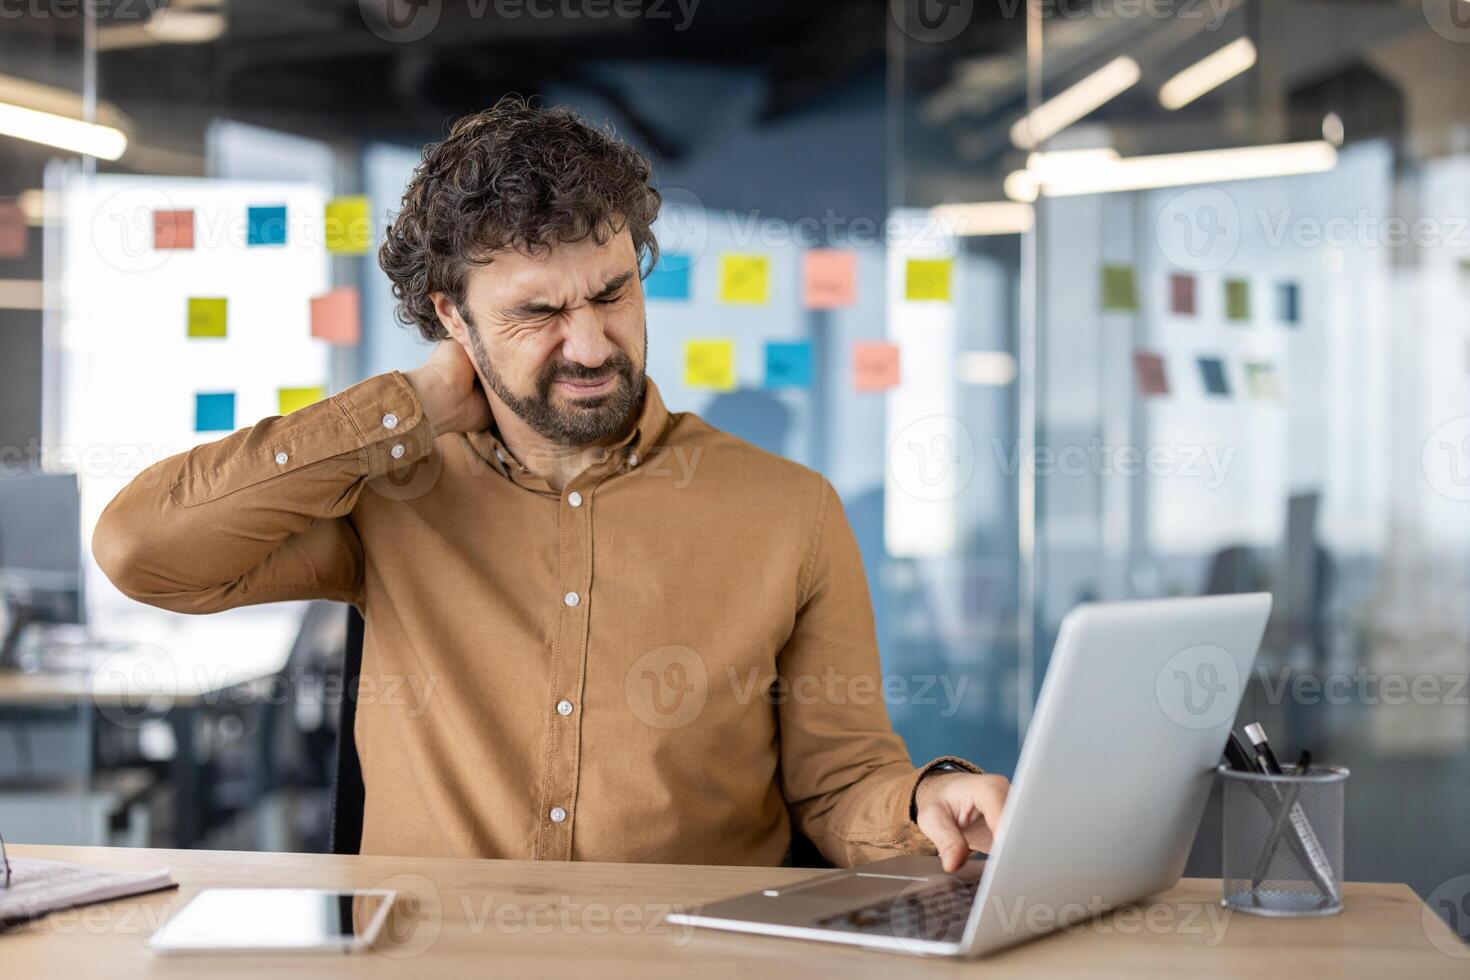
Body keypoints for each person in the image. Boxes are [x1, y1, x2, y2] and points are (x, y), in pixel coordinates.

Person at [93, 97, 1008, 871]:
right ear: (454, 317)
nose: (590, 345)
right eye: (538, 312)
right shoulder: (389, 491)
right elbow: (143, 553)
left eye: (611, 294)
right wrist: (399, 410)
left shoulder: (790, 510)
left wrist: (925, 799)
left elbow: (843, 783)